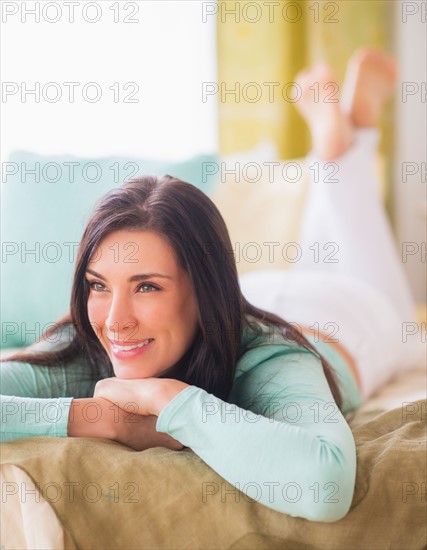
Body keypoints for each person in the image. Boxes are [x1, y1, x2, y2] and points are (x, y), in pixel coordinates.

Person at [0, 48, 420, 523]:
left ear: (203, 289)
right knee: (329, 253)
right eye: (99, 285)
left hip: (348, 316)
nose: (114, 321)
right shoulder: (80, 347)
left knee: (398, 312)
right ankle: (345, 144)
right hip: (256, 291)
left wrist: (170, 402)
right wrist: (101, 418)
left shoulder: (272, 361)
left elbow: (325, 487)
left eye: (146, 288)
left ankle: (342, 145)